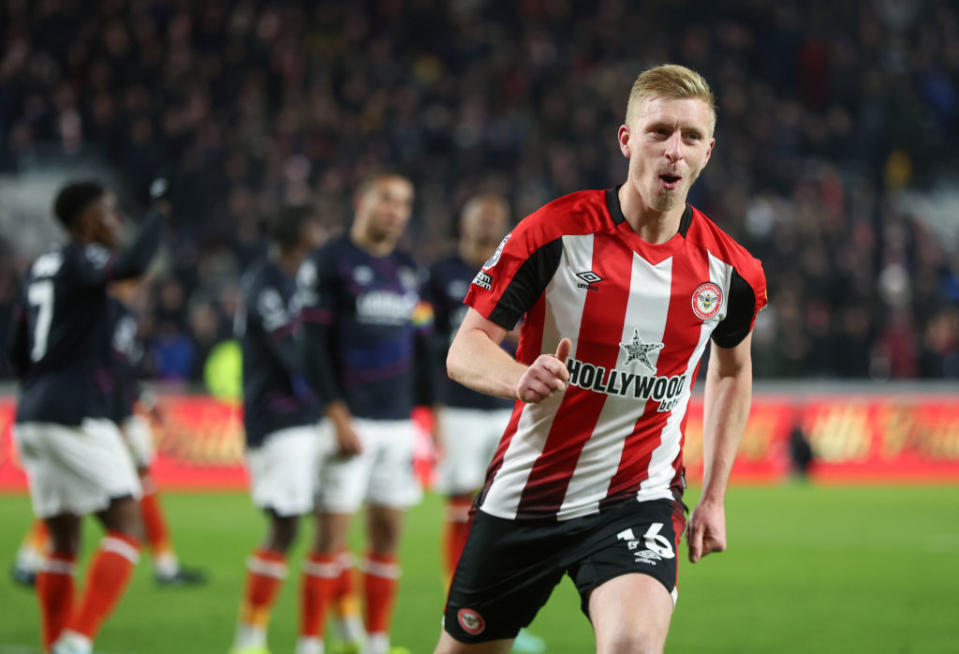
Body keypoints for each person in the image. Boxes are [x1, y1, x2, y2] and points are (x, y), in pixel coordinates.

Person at [433, 64, 768, 654]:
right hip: (527, 495)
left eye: (690, 137)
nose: (674, 150)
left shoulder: (731, 271)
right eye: (659, 131)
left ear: (708, 152)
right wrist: (520, 375)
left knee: (632, 647)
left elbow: (734, 369)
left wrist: (714, 494)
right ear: (626, 139)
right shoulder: (554, 234)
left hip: (637, 498)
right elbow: (464, 349)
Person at [6, 181, 168, 654]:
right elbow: (135, 264)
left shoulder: (41, 266)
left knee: (62, 541)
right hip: (73, 413)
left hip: (32, 412)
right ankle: (76, 641)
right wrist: (160, 210)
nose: (118, 222)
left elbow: (15, 347)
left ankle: (54, 644)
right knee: (127, 525)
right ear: (87, 223)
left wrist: (45, 378)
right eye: (111, 213)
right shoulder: (82, 257)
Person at [299, 172, 434, 654]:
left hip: (398, 423)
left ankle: (376, 641)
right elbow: (311, 348)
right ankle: (310, 643)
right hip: (348, 420)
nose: (396, 211)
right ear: (362, 201)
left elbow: (422, 346)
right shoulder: (329, 262)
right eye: (387, 200)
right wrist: (336, 417)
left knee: (387, 537)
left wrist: (426, 417)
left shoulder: (406, 269)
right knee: (330, 538)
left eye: (404, 202)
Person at [10, 283, 207, 589]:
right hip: (102, 414)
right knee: (118, 494)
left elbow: (119, 368)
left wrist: (142, 397)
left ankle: (30, 559)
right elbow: (110, 367)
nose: (137, 289)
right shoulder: (109, 312)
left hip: (102, 409)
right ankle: (163, 566)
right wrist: (120, 414)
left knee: (84, 489)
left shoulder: (109, 312)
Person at [229, 205, 351, 654]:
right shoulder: (266, 283)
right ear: (301, 234)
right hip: (280, 420)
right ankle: (250, 635)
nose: (322, 232)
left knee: (332, 526)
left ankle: (346, 631)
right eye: (316, 225)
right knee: (286, 527)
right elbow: (294, 354)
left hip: (309, 417)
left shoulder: (302, 281)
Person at [428, 195, 544, 654]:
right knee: (460, 508)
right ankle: (455, 610)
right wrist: (433, 409)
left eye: (498, 218)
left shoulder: (522, 270)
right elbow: (430, 348)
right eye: (484, 217)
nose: (492, 224)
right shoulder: (440, 275)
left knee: (504, 510)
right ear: (464, 222)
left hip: (505, 404)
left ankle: (496, 619)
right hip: (457, 406)